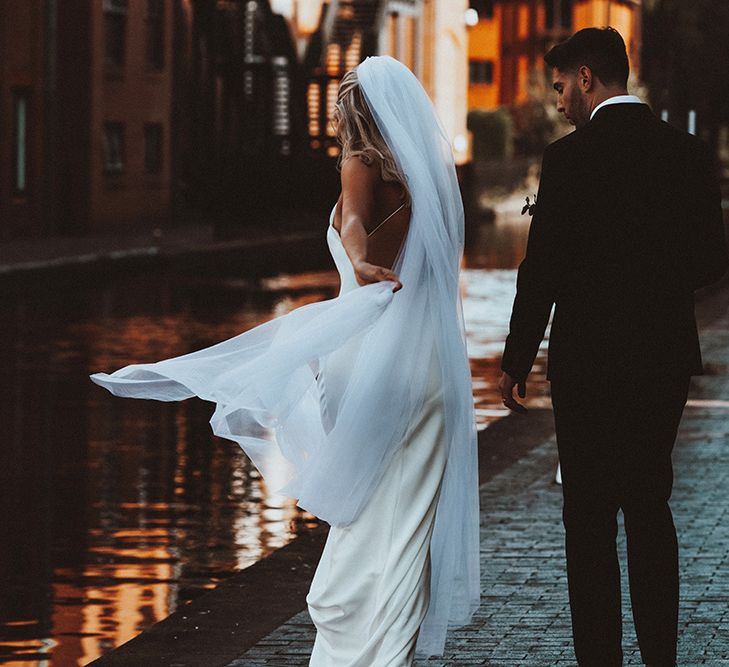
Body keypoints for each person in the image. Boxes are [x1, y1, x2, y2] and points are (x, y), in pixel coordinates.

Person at [89, 55, 480, 664]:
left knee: (366, 518)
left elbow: (352, 219)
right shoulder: (432, 179)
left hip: (374, 363)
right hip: (432, 372)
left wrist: (355, 260)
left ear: (353, 117)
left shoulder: (362, 160)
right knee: (406, 531)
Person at [498, 27, 728, 667]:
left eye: (563, 86)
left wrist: (518, 358)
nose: (561, 100)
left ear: (588, 79)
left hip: (588, 368)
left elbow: (540, 271)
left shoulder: (568, 161)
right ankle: (661, 658)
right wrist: (654, 281)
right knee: (651, 509)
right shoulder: (685, 153)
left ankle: (600, 660)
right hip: (662, 361)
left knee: (589, 522)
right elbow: (713, 258)